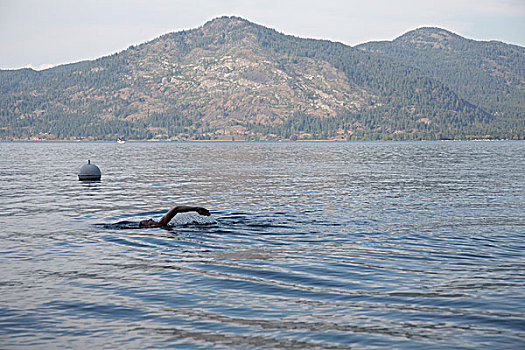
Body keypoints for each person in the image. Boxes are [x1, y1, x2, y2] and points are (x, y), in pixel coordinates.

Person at [139, 206, 210, 227]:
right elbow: (176, 209)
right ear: (150, 225)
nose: (150, 219)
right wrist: (195, 209)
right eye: (148, 221)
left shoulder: (163, 225)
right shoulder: (161, 224)